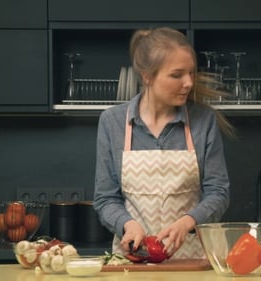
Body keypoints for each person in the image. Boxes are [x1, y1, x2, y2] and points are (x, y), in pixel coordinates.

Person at [93, 27, 233, 259]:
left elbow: (218, 193)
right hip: (133, 261)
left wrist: (187, 222)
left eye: (191, 73)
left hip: (193, 259)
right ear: (147, 76)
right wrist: (128, 225)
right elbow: (105, 198)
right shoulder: (113, 122)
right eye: (177, 75)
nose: (188, 83)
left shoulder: (203, 120)